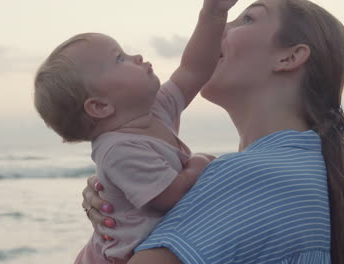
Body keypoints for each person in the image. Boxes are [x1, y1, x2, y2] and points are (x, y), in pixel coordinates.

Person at [82, 0, 344, 263]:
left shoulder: (255, 176)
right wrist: (124, 211)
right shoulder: (311, 169)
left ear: (289, 57)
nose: (219, 29)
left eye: (248, 19)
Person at [34, 0, 237, 262]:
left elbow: (193, 70)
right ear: (100, 106)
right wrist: (199, 164)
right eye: (119, 58)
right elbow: (171, 197)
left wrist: (213, 13)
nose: (136, 56)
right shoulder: (118, 149)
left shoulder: (154, 111)